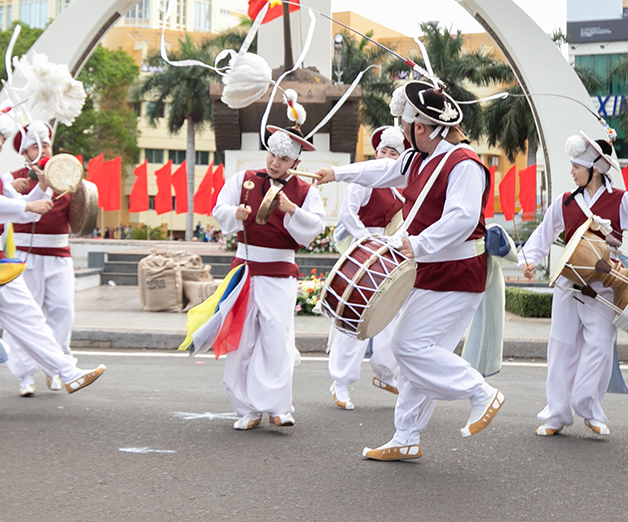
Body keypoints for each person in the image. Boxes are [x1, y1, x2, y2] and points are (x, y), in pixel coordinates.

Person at [314, 81, 503, 461]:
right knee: (417, 351)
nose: (401, 131)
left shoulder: (464, 164)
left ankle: (479, 392)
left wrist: (416, 244)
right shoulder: (418, 158)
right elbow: (382, 171)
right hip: (430, 270)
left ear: (421, 127)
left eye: (404, 124)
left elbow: (462, 219)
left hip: (457, 273)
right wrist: (337, 174)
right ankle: (407, 436)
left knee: (408, 346)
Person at [519, 132, 628, 437]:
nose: (571, 171)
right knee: (560, 349)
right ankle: (557, 413)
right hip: (569, 283)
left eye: (576, 166)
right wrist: (529, 260)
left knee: (599, 348)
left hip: (604, 286)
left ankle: (589, 408)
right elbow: (543, 234)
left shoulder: (621, 201)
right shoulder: (564, 202)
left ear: (594, 169)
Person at [0, 109, 105, 417]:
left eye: (3, 139)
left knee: (31, 319)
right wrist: (28, 202)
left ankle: (67, 372)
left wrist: (43, 186)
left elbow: (24, 212)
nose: (0, 143)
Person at [211, 125, 326, 430]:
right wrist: (233, 212)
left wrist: (292, 210)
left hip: (279, 272)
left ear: (296, 163)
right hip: (245, 269)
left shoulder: (305, 191)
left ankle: (278, 407)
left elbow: (314, 227)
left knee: (277, 339)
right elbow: (219, 208)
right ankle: (246, 410)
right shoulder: (244, 179)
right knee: (242, 339)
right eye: (272, 154)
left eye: (284, 159)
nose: (275, 162)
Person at [326, 125, 405, 410]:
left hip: (390, 251)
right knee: (355, 316)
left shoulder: (401, 187)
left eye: (393, 153)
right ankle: (341, 381)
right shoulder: (363, 181)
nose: (386, 156)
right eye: (382, 151)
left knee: (390, 315)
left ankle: (385, 372)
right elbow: (348, 214)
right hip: (363, 251)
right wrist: (366, 240)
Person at [3, 121, 76, 396]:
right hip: (24, 254)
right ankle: (24, 376)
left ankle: (56, 368)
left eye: (46, 144)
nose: (43, 149)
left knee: (62, 312)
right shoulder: (11, 179)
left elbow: (83, 216)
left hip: (59, 254)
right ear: (24, 153)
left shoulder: (69, 177)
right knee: (25, 315)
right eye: (36, 145)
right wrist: (13, 186)